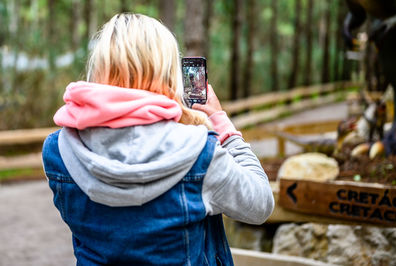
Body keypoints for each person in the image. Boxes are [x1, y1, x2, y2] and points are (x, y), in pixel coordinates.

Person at [42, 13, 274, 265]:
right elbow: (260, 205)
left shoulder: (58, 151)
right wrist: (221, 122)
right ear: (167, 72)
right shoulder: (200, 152)